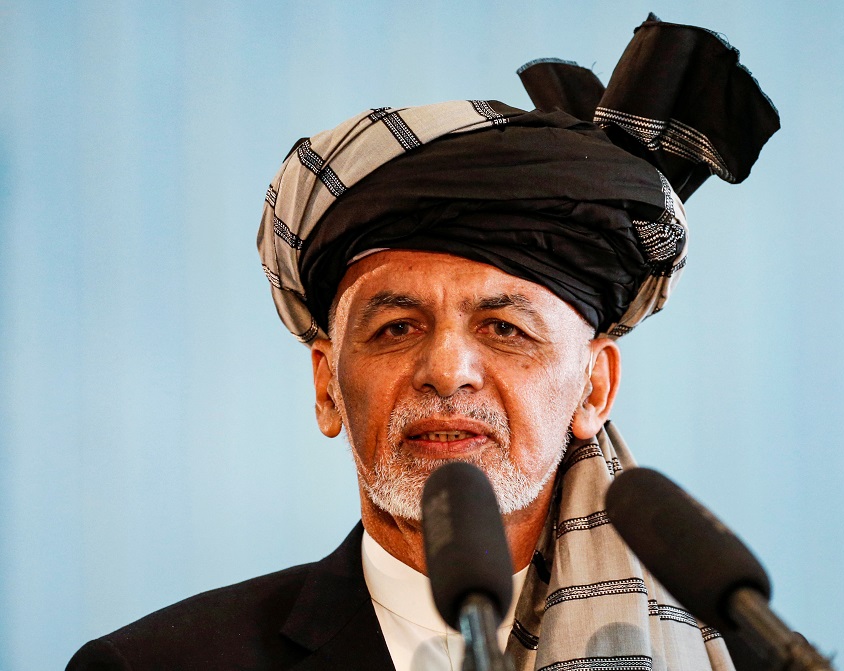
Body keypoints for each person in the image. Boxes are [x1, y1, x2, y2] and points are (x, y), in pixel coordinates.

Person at [66, 14, 778, 671]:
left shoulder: (742, 657)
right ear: (327, 386)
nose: (447, 370)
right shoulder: (158, 664)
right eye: (396, 327)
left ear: (594, 387)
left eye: (505, 329)